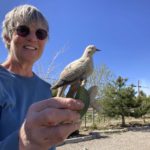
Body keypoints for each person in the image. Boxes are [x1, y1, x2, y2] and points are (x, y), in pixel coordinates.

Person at [0, 4, 84, 150]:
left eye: (41, 33)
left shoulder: (45, 89)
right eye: (23, 30)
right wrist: (21, 141)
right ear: (8, 37)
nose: (33, 38)